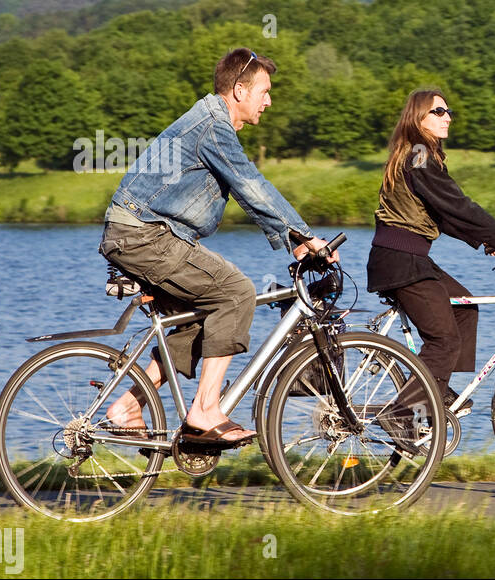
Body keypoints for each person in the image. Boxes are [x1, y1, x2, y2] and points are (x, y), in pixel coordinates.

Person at [98, 47, 337, 445]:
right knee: (235, 292)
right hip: (144, 235)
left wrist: (292, 240)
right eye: (264, 91)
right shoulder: (212, 125)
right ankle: (205, 410)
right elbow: (250, 185)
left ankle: (126, 407)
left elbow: (248, 195)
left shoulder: (211, 122)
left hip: (142, 234)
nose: (269, 100)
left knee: (195, 321)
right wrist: (303, 234)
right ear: (240, 91)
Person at [367, 89, 495, 419]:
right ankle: (403, 415)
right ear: (419, 118)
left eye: (448, 111)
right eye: (439, 111)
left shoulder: (419, 154)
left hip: (407, 258)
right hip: (402, 261)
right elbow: (458, 204)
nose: (448, 117)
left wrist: (486, 240)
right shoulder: (418, 155)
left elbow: (443, 215)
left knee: (465, 307)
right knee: (443, 341)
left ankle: (437, 387)